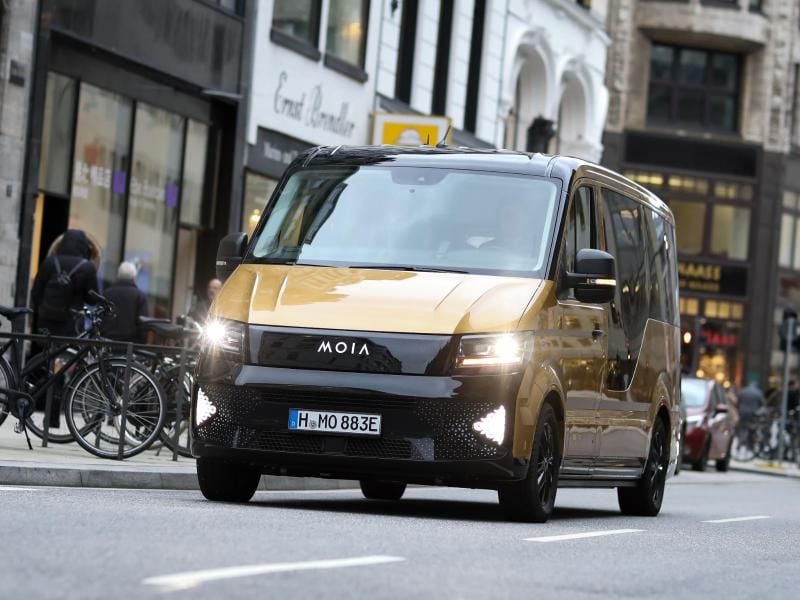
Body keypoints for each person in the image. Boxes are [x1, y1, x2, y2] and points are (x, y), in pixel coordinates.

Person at [30, 229, 99, 336]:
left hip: (46, 322)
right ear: (84, 246)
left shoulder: (49, 263)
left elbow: (36, 294)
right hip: (72, 325)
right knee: (70, 352)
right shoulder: (87, 267)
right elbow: (93, 299)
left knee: (47, 351)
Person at [101, 262, 149, 342]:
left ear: (118, 276)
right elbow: (144, 325)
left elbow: (100, 319)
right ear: (134, 277)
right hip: (130, 347)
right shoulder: (140, 296)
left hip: (107, 344)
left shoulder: (107, 293)